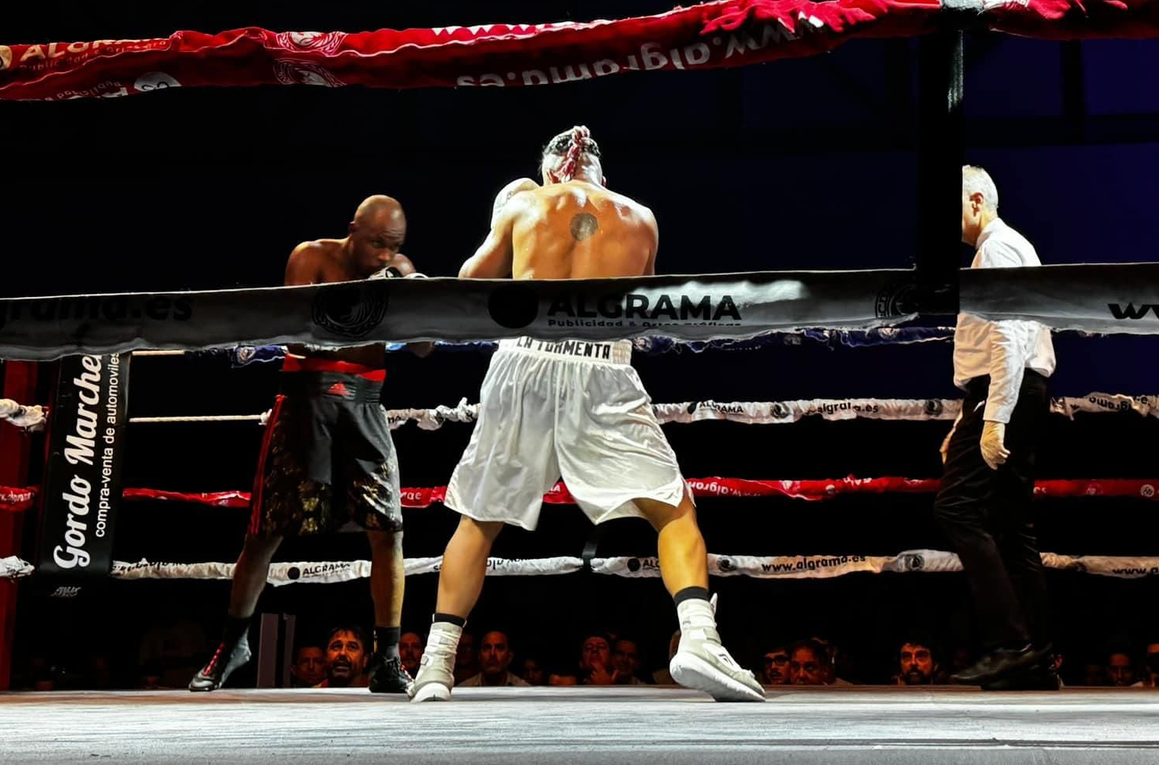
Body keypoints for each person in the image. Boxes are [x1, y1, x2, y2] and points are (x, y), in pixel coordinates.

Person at [409, 127, 762, 704]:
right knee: (673, 511)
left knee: (479, 517)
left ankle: (435, 667)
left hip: (524, 362)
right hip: (603, 366)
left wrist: (507, 214)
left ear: (550, 170)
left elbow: (470, 288)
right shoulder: (642, 219)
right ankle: (698, 637)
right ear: (601, 172)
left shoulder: (526, 203)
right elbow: (636, 312)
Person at [190, 196, 425, 694]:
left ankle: (386, 659)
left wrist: (416, 298)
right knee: (265, 531)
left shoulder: (399, 270)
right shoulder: (311, 257)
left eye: (394, 247)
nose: (385, 256)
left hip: (366, 401)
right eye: (378, 244)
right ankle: (233, 645)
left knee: (389, 530)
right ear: (353, 231)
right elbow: (292, 334)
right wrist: (368, 298)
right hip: (306, 398)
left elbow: (424, 346)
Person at [937, 166, 1057, 691]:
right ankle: (1038, 657)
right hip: (1013, 392)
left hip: (1005, 390)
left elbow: (1008, 338)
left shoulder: (997, 249)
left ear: (977, 201)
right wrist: (972, 415)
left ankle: (1011, 645)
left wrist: (992, 417)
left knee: (956, 507)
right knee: (1010, 523)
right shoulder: (1010, 246)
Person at [459, 630, 529, 687]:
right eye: (487, 648)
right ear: (479, 655)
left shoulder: (524, 691)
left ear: (510, 656)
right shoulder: (464, 689)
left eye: (499, 648)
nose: (492, 654)